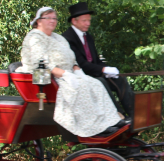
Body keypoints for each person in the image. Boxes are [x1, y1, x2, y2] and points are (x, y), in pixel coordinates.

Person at [17, 7, 124, 137]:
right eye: (48, 18)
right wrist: (65, 74)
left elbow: (72, 58)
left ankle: (109, 121)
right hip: (48, 76)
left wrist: (78, 72)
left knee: (95, 84)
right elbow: (41, 63)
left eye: (54, 18)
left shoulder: (58, 38)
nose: (52, 21)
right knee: (81, 87)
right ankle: (93, 128)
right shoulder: (35, 37)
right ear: (39, 21)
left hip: (68, 73)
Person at [61, 2, 134, 119]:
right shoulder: (67, 38)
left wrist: (107, 69)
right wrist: (103, 69)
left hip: (94, 73)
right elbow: (81, 64)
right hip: (80, 76)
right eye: (85, 21)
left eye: (89, 20)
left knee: (120, 79)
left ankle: (134, 114)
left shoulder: (88, 37)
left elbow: (95, 60)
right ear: (74, 21)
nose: (88, 23)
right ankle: (119, 116)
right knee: (102, 82)